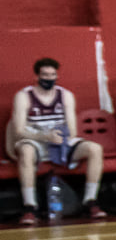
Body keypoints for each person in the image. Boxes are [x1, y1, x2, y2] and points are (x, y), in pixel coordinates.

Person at [8, 58, 107, 224]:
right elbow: (18, 131)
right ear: (37, 76)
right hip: (35, 140)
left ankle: (90, 201)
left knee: (95, 149)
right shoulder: (23, 96)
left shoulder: (65, 95)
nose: (49, 78)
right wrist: (45, 137)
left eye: (52, 74)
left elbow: (73, 130)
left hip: (59, 141)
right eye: (45, 75)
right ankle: (30, 207)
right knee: (26, 151)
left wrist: (59, 140)